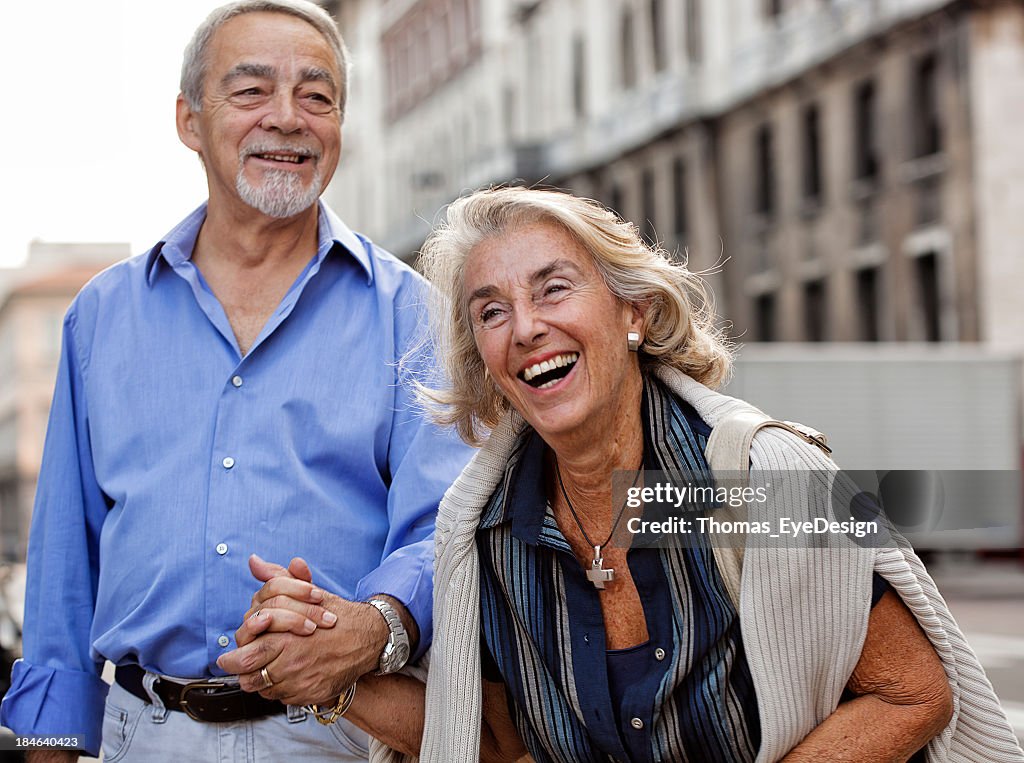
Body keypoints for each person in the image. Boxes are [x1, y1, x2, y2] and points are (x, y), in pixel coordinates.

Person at [370, 186, 1017, 761]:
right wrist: (323, 681)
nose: (527, 327)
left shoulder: (756, 476)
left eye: (554, 288)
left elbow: (911, 693)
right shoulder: (486, 528)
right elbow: (501, 741)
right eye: (492, 310)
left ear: (635, 311)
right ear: (482, 356)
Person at [0, 1, 471, 760]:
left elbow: (441, 528)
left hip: (339, 730)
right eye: (251, 91)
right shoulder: (103, 316)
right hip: (138, 736)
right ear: (190, 120)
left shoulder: (412, 314)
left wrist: (375, 622)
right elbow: (62, 567)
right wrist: (50, 747)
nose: (287, 118)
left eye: (317, 97)